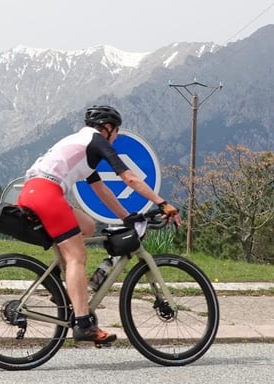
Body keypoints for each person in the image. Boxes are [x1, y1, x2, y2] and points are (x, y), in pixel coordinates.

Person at [16, 105, 181, 344]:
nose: (116, 138)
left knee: (88, 226)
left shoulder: (82, 144)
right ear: (108, 128)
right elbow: (129, 178)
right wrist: (162, 203)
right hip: (47, 194)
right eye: (116, 132)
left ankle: (62, 288)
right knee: (77, 256)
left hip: (32, 191)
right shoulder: (97, 141)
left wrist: (126, 217)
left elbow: (101, 189)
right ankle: (84, 325)